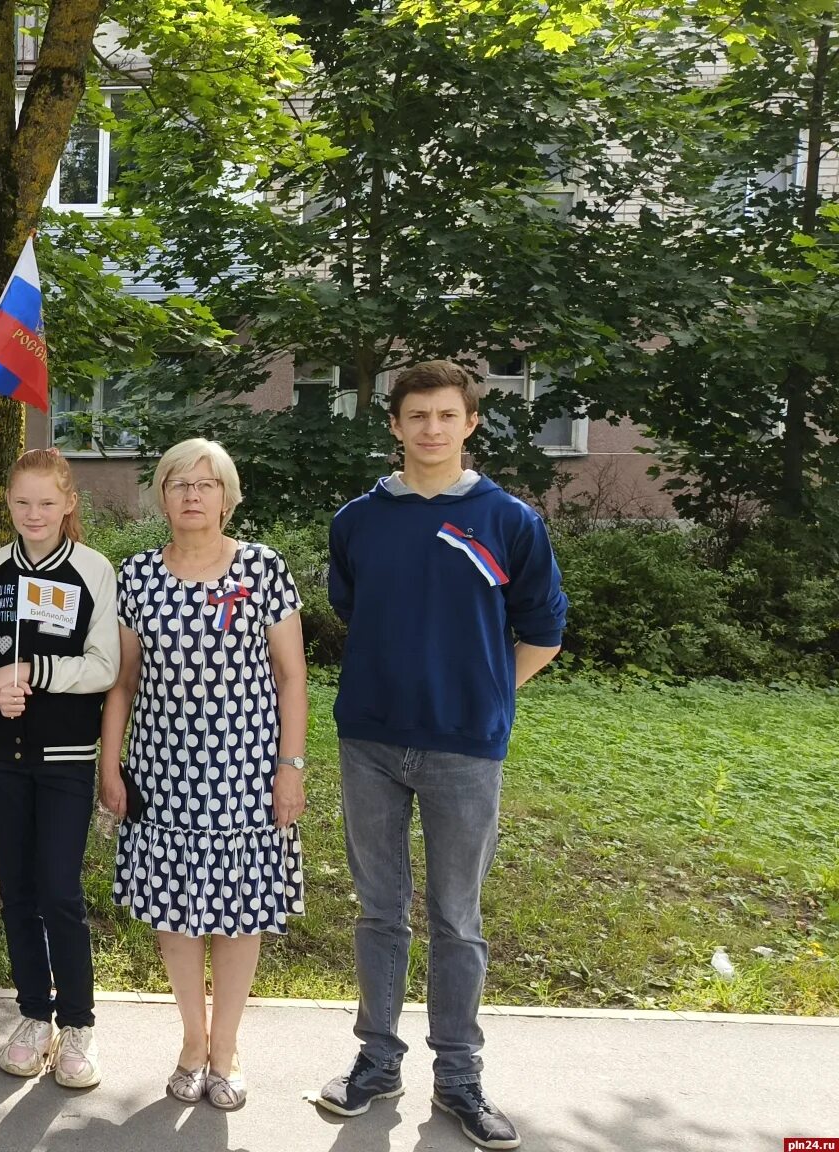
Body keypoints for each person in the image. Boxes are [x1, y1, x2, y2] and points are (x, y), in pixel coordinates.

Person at [309, 360, 566, 1151]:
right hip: (372, 741)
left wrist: (488, 695)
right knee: (380, 912)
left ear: (469, 422)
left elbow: (544, 633)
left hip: (465, 749)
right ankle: (376, 1061)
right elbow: (352, 607)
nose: (430, 428)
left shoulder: (509, 520)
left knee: (458, 917)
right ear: (393, 425)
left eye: (445, 415)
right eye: (415, 415)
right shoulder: (359, 520)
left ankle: (459, 1078)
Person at [100, 437, 307, 1113]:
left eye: (206, 483)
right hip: (162, 771)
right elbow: (123, 684)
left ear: (227, 494)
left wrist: (291, 768)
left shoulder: (262, 570)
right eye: (179, 483)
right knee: (176, 912)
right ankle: (192, 1043)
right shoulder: (137, 577)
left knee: (239, 913)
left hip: (247, 770)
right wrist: (112, 761)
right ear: (161, 495)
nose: (193, 495)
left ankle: (228, 1049)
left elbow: (291, 677)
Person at [0, 447, 120, 1089]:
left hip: (64, 758)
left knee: (59, 891)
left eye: (46, 502)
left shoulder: (93, 571)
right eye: (23, 502)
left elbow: (105, 665)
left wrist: (32, 674)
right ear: (8, 504)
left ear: (68, 504)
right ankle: (33, 1016)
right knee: (18, 892)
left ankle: (77, 1025)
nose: (34, 513)